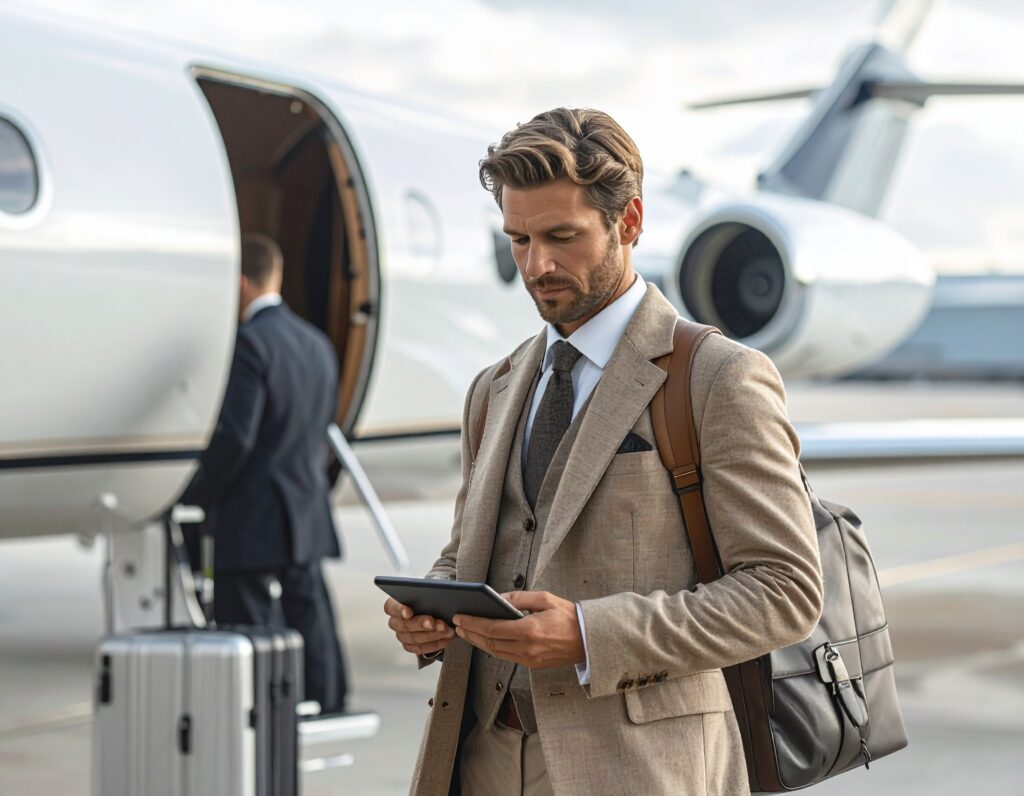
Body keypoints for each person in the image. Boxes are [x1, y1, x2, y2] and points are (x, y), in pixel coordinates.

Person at [384, 108, 824, 796]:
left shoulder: (717, 377)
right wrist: (431, 612)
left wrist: (590, 635)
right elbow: (483, 547)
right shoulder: (493, 388)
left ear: (631, 222)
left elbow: (783, 592)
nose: (538, 265)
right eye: (518, 239)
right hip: (478, 762)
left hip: (638, 769)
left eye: (563, 236)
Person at [181, 233, 348, 715]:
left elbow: (236, 436)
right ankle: (329, 699)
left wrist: (197, 492)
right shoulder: (316, 344)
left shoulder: (251, 344)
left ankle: (259, 712)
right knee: (310, 611)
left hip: (253, 512)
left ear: (240, 284)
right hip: (305, 503)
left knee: (247, 624)